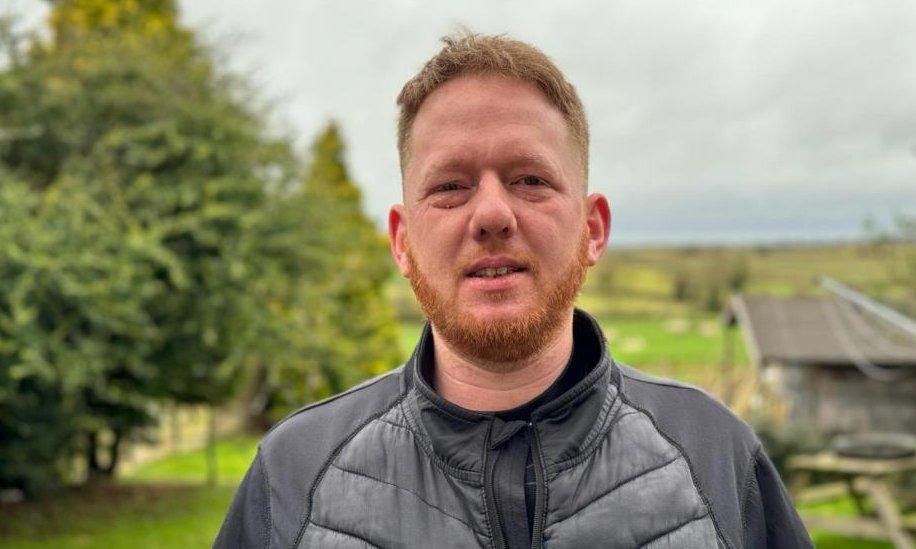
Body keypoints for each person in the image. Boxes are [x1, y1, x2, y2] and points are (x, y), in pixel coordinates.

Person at [215, 32, 812, 549]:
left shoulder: (714, 456)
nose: (493, 214)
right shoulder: (294, 474)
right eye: (451, 186)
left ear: (592, 228)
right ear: (401, 242)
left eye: (530, 180)